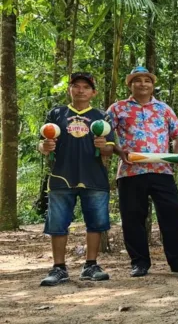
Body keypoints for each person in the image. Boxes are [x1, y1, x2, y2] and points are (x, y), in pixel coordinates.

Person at [107, 66, 178, 277]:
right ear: (130, 84)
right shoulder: (117, 108)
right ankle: (139, 262)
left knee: (171, 214)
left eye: (147, 80)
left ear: (152, 85)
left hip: (162, 170)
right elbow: (104, 136)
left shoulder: (163, 108)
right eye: (137, 80)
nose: (143, 84)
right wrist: (118, 150)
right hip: (131, 171)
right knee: (133, 217)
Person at [38, 72, 115, 286]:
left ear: (93, 92)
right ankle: (59, 268)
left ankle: (91, 265)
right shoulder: (56, 114)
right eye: (76, 86)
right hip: (62, 177)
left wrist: (104, 146)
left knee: (97, 223)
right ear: (69, 89)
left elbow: (110, 149)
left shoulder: (102, 117)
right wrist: (44, 147)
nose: (81, 90)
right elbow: (42, 144)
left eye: (86, 87)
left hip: (94, 177)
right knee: (57, 224)